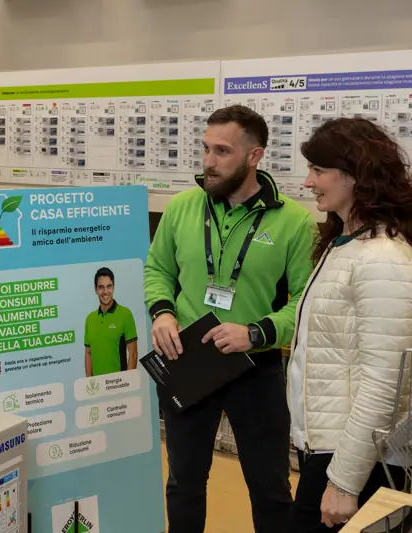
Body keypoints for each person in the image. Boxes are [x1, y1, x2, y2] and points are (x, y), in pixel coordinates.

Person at [144, 104, 319, 533]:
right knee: (184, 484)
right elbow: (158, 270)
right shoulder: (183, 207)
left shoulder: (295, 223)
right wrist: (162, 312)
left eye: (222, 151)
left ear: (254, 156)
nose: (208, 162)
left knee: (270, 490)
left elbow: (307, 304)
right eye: (206, 149)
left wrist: (257, 332)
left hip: (255, 371)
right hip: (188, 360)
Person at [287, 117, 412, 532]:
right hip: (329, 451)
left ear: (357, 175)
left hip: (355, 460)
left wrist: (344, 481)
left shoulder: (382, 258)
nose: (308, 182)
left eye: (318, 170)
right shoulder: (346, 243)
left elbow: (384, 384)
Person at [84, 267, 138, 377]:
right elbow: (88, 354)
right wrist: (89, 383)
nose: (105, 292)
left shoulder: (125, 314)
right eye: (101, 287)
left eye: (109, 286)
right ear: (95, 290)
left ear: (113, 287)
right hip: (97, 388)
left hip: (119, 385)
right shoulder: (90, 319)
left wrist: (127, 383)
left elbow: (133, 353)